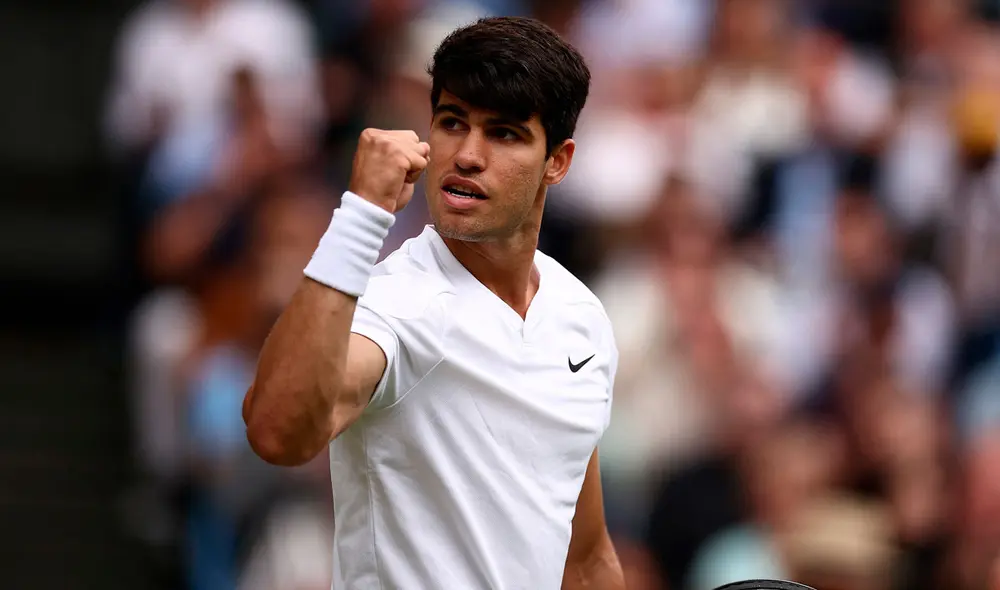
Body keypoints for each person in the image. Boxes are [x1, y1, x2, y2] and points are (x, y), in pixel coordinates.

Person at [242, 16, 625, 590]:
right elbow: (277, 433)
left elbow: (586, 560)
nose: (467, 155)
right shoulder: (391, 306)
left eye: (504, 133)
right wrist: (360, 216)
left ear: (558, 161)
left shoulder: (582, 319)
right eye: (452, 123)